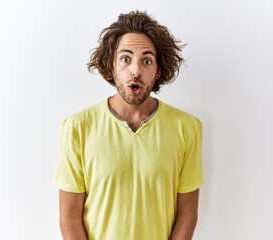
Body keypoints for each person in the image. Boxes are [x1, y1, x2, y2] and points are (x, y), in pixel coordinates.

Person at [53, 10, 204, 240]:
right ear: (111, 65)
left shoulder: (187, 128)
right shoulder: (77, 128)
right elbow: (69, 218)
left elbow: (187, 214)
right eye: (125, 58)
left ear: (158, 69)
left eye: (147, 60)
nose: (135, 71)